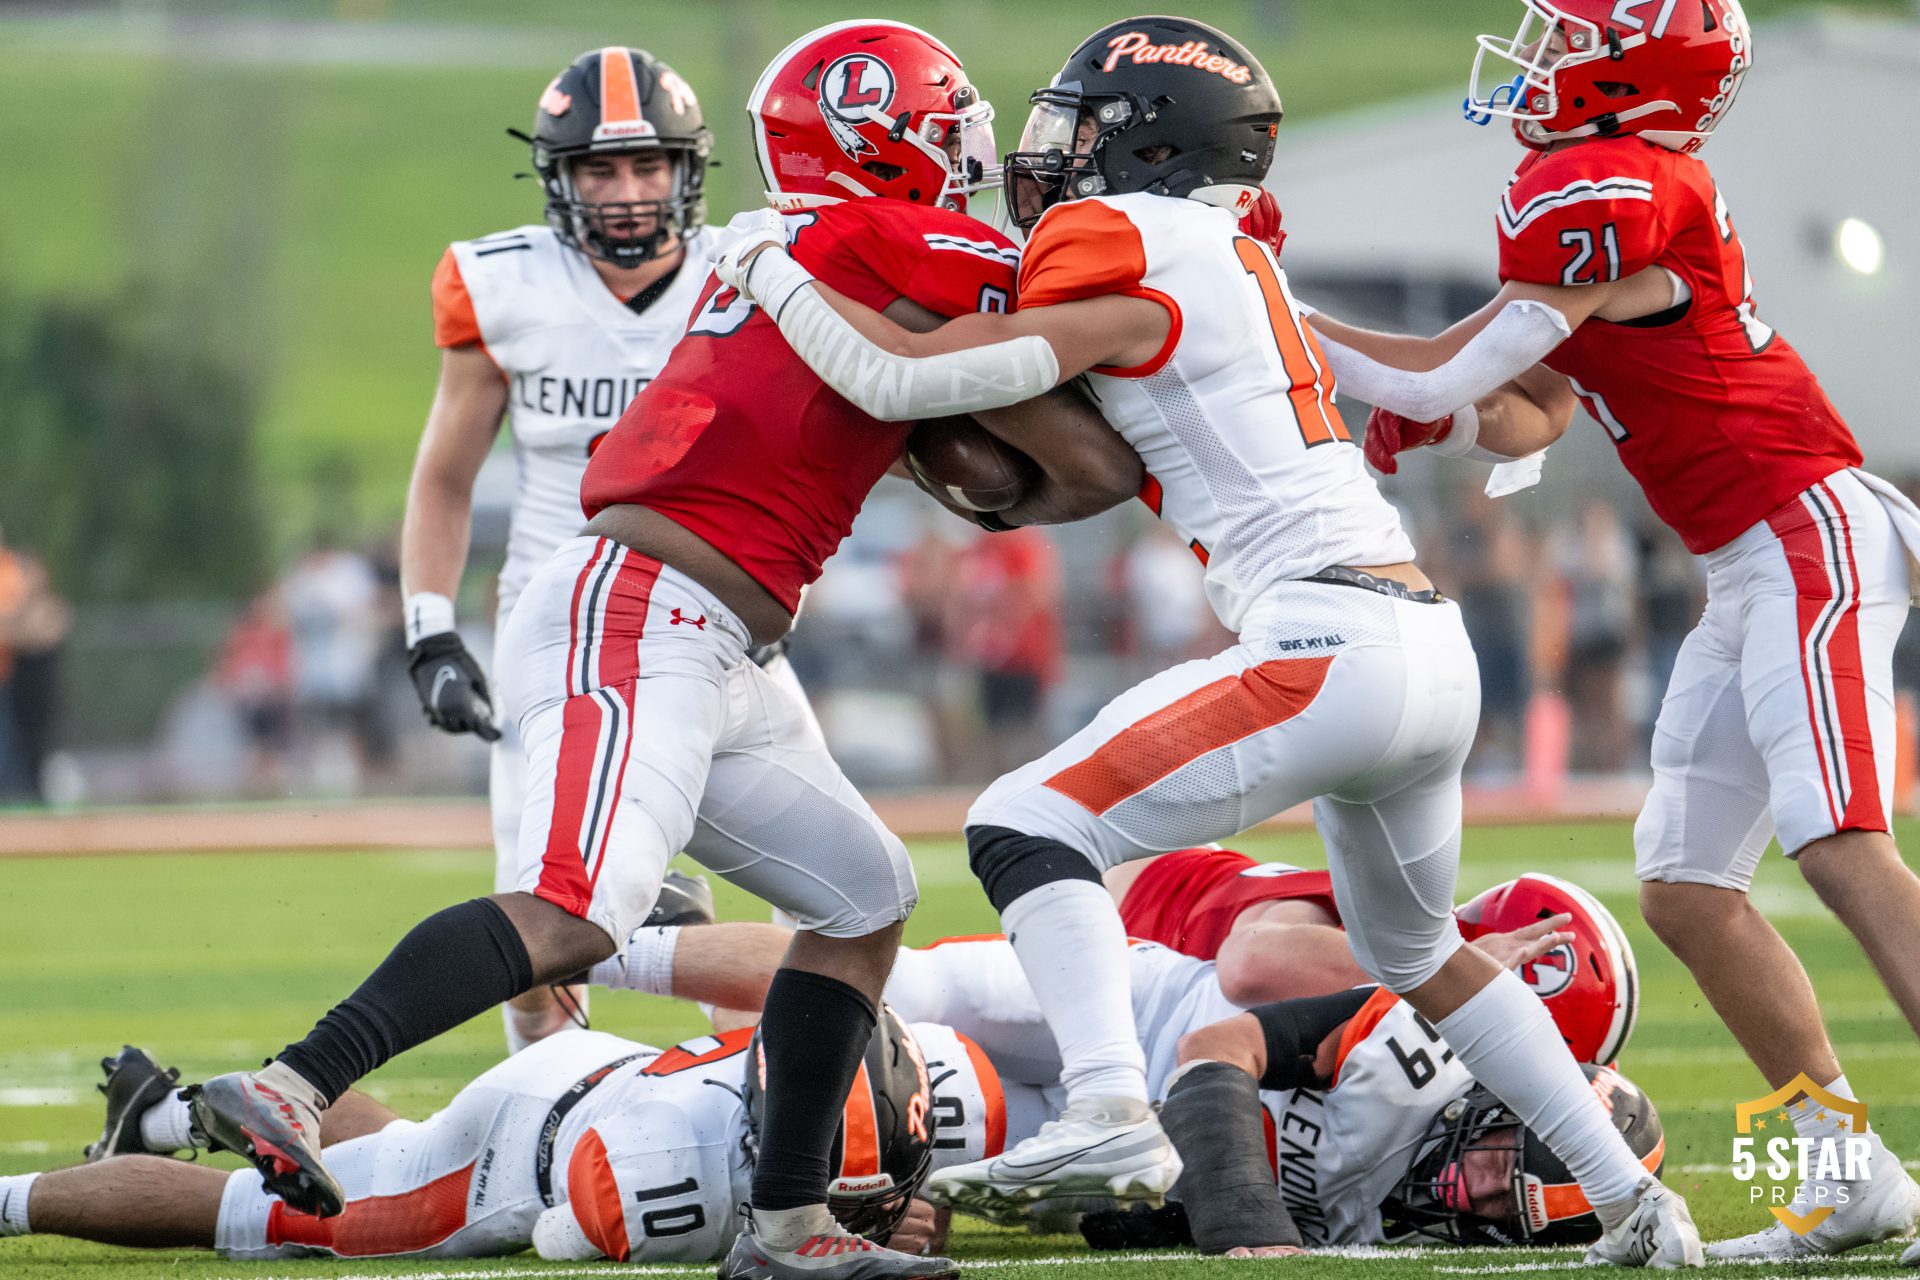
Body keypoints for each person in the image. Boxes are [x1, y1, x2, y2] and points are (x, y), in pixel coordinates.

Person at [719, 13, 1699, 1266]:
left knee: (1025, 820)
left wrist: (770, 268)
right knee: (1420, 949)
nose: (1048, 156)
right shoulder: (1227, 252)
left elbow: (906, 378)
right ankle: (1633, 1201)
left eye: (1079, 129)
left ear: (1150, 145)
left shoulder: (1122, 236)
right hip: (1420, 647)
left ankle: (1113, 1110)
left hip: (1329, 637)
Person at [186, 22, 1141, 1280]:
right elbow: (1090, 455)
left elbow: (987, 436)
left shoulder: (817, 250)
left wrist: (1008, 442)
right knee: (574, 913)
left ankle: (789, 1225)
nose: (972, 152)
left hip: (718, 628)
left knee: (865, 897)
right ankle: (296, 1082)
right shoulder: (889, 239)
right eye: (949, 123)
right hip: (641, 604)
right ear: (882, 136)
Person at [1307, 0, 1920, 1258]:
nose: (1536, 66)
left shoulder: (1622, 187)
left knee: (1842, 846)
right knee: (1690, 889)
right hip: (1748, 561)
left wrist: (1270, 313)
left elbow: (1429, 371)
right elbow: (1530, 405)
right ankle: (1846, 1171)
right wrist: (1449, 422)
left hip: (1807, 530)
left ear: (1632, 80)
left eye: (1565, 46)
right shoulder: (1590, 194)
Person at [591, 920, 1658, 1252]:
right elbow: (1222, 1047)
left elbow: (1140, 1226)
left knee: (872, 1146)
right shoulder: (1424, 1053)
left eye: (1502, 1214)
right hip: (1124, 1021)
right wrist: (1250, 1219)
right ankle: (604, 949)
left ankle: (596, 1099)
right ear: (1501, 1110)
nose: (1468, 1194)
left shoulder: (1420, 1241)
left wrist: (943, 1207)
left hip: (1116, 1150)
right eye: (1490, 1166)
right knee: (894, 980)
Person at [400, 46, 722, 1052]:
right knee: (535, 912)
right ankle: (559, 1127)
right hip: (554, 631)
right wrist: (431, 631)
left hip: (716, 621)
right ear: (559, 176)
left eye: (646, 166)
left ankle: (787, 1122)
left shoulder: (748, 275)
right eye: (598, 169)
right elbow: (446, 475)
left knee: (828, 886)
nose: (626, 193)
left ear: (686, 170)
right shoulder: (506, 287)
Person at [0, 1016, 992, 1263]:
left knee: (396, 1138)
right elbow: (561, 1233)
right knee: (262, 1215)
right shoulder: (665, 1179)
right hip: (513, 1158)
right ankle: (10, 1199)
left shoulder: (887, 1059)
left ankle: (166, 1117)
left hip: (592, 1066)